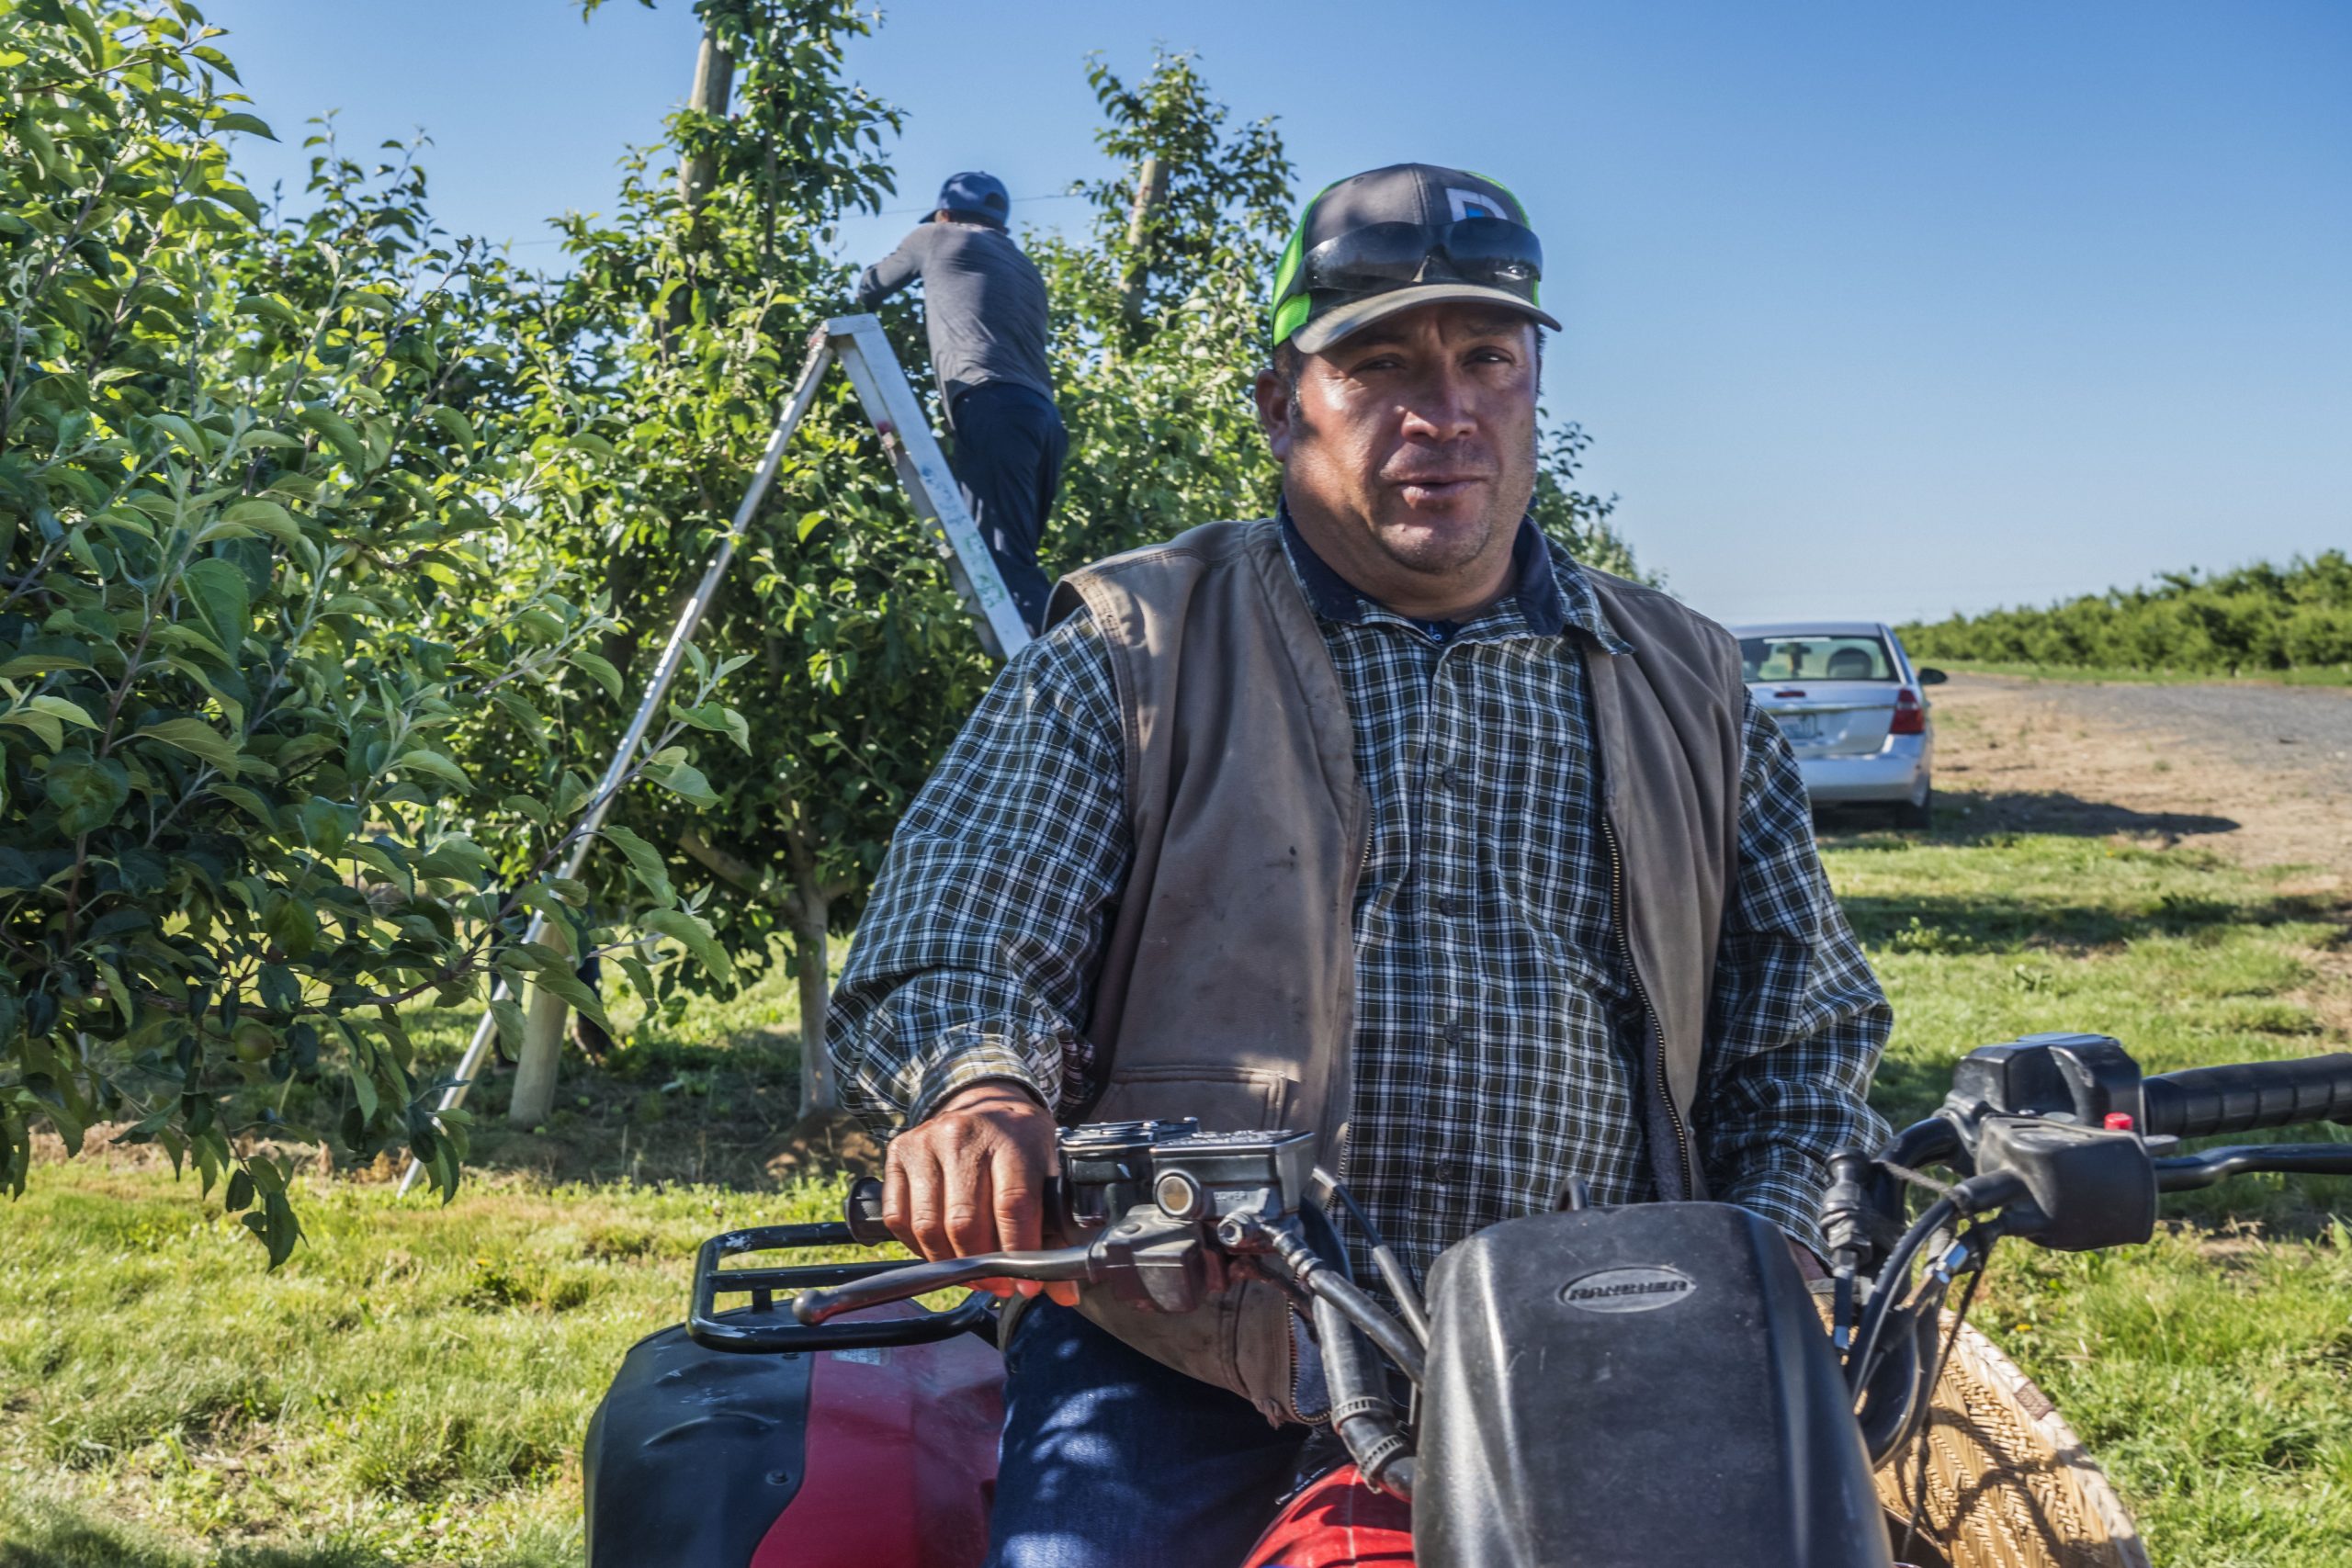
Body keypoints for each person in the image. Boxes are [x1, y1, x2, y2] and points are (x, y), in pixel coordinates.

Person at [828, 163, 1890, 1568]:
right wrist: (977, 1082)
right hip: (1198, 1351)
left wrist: (1779, 1260)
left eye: (1486, 360)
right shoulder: (1137, 644)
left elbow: (1798, 1032)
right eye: (1379, 364)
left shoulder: (1684, 676)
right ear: (1284, 403)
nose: (1442, 412)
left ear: (1531, 388)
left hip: (1601, 1349)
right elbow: (963, 920)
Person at [856, 171, 1065, 635]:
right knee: (1018, 563)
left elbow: (870, 288)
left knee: (1003, 568)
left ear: (946, 214)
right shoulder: (1024, 265)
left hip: (992, 406)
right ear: (1002, 227)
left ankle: (1061, 678)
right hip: (1044, 420)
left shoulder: (935, 235)